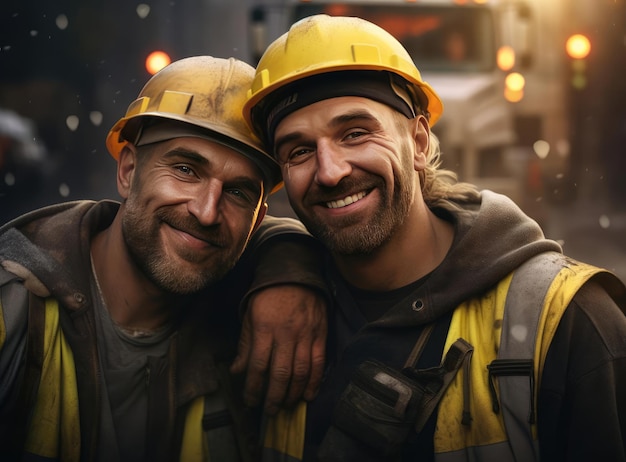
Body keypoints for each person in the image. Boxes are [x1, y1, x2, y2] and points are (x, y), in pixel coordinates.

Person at [242, 14, 626, 461]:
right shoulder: (253, 308)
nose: (330, 171)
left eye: (355, 133)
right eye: (299, 151)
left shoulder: (569, 323)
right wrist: (280, 262)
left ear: (420, 141)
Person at [0, 55, 329, 461]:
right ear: (128, 169)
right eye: (186, 170)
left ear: (259, 218)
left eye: (239, 192)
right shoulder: (14, 306)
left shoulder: (245, 321)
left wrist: (294, 265)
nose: (206, 212)